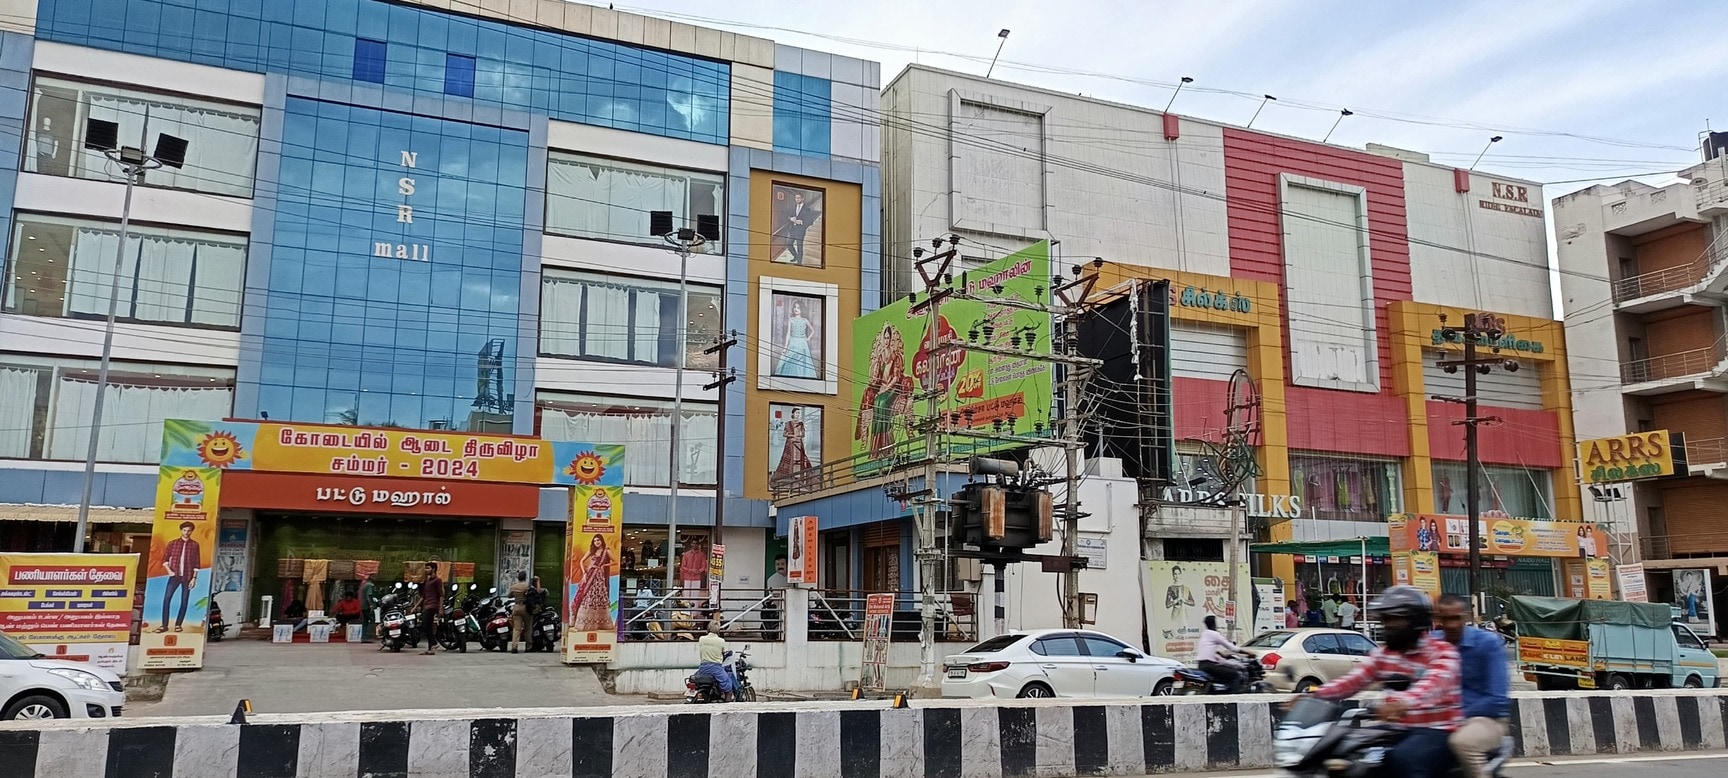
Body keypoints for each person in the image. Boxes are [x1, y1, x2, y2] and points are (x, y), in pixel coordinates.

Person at [1303, 586, 1462, 778]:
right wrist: (1314, 695)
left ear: (1416, 621)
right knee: (1344, 751)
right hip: (1395, 729)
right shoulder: (1383, 654)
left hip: (1437, 730)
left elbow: (1434, 684)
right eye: (1386, 619)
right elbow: (1353, 680)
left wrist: (1402, 702)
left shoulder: (1442, 652)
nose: (1389, 625)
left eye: (1396, 619)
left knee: (1404, 758)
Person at [1435, 594, 1510, 778]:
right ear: (1438, 619)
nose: (1451, 625)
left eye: (1456, 618)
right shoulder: (1432, 643)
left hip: (1486, 719)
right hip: (1438, 718)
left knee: (1463, 743)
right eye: (1446, 619)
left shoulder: (1487, 643)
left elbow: (1498, 700)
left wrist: (1456, 714)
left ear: (1466, 616)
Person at [157, 521, 201, 633]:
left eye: (189, 531)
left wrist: (194, 578)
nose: (186, 532)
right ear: (181, 530)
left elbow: (197, 563)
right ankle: (164, 625)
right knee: (167, 599)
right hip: (175, 575)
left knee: (184, 600)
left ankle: (178, 624)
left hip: (187, 576)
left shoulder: (195, 545)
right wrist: (169, 571)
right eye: (184, 530)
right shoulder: (173, 543)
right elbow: (165, 559)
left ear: (192, 531)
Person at [1195, 615, 1244, 690]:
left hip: (1201, 665)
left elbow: (1208, 649)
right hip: (1209, 666)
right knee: (1235, 675)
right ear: (1214, 624)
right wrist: (1248, 653)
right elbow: (1232, 647)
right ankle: (1233, 696)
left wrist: (1221, 654)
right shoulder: (1215, 634)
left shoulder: (1204, 634)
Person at [776, 303, 819, 378]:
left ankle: (801, 377)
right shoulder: (791, 320)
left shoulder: (805, 320)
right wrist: (785, 347)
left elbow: (813, 330)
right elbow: (788, 333)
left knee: (801, 361)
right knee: (792, 360)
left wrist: (808, 338)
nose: (796, 309)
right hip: (793, 342)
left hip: (802, 343)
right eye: (795, 307)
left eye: (798, 307)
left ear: (802, 309)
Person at [696, 617, 736, 700]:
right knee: (728, 686)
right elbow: (723, 652)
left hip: (703, 667)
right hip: (716, 668)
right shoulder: (721, 641)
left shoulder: (701, 639)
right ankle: (727, 704)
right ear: (718, 630)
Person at [777, 190, 820, 265]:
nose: (797, 199)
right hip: (792, 230)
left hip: (800, 231)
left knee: (799, 247)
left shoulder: (807, 209)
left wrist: (801, 222)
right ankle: (796, 256)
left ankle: (799, 263)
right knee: (788, 244)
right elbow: (787, 215)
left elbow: (810, 221)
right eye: (796, 198)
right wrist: (791, 218)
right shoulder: (793, 207)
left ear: (802, 198)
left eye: (799, 198)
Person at [419, 563, 443, 656]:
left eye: (428, 568)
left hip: (433, 606)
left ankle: (434, 643)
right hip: (426, 605)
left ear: (433, 569)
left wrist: (440, 608)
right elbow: (423, 596)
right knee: (428, 626)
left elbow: (441, 595)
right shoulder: (427, 581)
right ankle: (430, 649)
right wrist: (415, 607)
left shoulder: (438, 580)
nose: (426, 570)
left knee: (425, 624)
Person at [764, 555, 789, 639]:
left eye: (782, 564)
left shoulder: (792, 578)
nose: (780, 566)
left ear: (787, 565)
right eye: (777, 564)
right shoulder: (771, 579)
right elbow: (771, 595)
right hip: (777, 608)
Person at [507, 571, 531, 654]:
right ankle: (528, 647)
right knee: (528, 628)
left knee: (517, 628)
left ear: (518, 578)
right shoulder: (527, 586)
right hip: (526, 607)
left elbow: (509, 595)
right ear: (525, 577)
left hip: (516, 607)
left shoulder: (514, 586)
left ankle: (514, 646)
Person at [360, 574, 379, 640]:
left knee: (365, 621)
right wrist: (371, 605)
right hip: (367, 606)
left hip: (363, 605)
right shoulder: (370, 585)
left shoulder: (364, 585)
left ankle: (364, 637)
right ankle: (369, 636)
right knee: (372, 620)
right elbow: (369, 595)